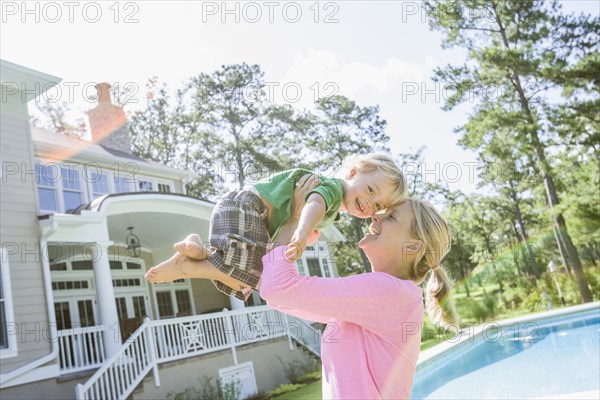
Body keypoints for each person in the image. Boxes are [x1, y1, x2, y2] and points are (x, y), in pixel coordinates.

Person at [259, 177, 459, 399]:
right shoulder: (385, 297)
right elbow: (278, 294)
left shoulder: (389, 292)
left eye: (390, 217)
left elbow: (277, 289)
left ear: (412, 247)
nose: (375, 215)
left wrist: (295, 217)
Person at [145, 153, 406, 301]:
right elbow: (313, 204)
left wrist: (303, 230)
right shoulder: (333, 190)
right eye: (370, 190)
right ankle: (187, 267)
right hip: (248, 207)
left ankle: (199, 250)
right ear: (352, 174)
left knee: (251, 282)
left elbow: (283, 239)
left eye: (378, 205)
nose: (369, 203)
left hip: (240, 212)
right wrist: (303, 230)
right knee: (257, 276)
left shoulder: (333, 211)